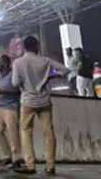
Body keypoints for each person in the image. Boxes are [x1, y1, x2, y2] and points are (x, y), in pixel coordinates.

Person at [12, 36, 70, 175]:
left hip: (27, 101)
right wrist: (50, 75)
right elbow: (66, 70)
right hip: (44, 101)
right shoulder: (45, 61)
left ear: (24, 48)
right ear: (36, 47)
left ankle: (30, 165)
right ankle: (50, 166)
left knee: (26, 132)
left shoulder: (18, 62)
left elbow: (15, 83)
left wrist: (24, 81)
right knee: (49, 133)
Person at [0, 54, 23, 168]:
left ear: (6, 63)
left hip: (10, 107)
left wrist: (1, 92)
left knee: (13, 133)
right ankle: (9, 155)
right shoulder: (0, 74)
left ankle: (17, 159)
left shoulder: (14, 74)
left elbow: (19, 91)